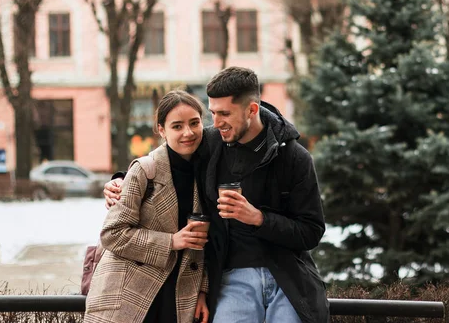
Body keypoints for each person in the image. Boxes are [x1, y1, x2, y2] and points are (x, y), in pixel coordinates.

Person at [104, 67, 329, 323]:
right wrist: (122, 178)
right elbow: (167, 157)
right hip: (231, 277)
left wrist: (258, 218)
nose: (217, 122)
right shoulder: (212, 141)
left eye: (225, 114)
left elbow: (311, 231)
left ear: (251, 110)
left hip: (288, 276)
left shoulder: (295, 158)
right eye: (212, 113)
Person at [85, 90, 210, 323]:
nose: (188, 133)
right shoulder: (145, 170)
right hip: (131, 289)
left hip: (181, 292)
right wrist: (171, 241)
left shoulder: (208, 171)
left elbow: (212, 241)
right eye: (177, 126)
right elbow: (112, 234)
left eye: (194, 123)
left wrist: (203, 291)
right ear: (161, 130)